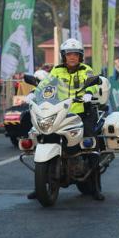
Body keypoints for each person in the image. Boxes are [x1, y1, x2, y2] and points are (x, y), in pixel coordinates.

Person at [26, 38, 103, 201]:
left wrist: (89, 92)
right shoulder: (56, 71)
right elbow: (46, 84)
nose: (72, 57)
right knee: (43, 138)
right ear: (64, 56)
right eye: (69, 54)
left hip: (82, 112)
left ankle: (96, 187)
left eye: (75, 54)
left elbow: (94, 83)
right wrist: (35, 92)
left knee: (91, 144)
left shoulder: (85, 70)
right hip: (60, 111)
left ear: (80, 56)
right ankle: (39, 185)